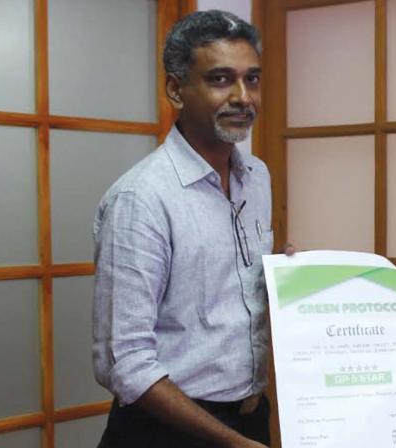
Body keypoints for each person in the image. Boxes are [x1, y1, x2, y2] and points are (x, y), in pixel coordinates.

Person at [93, 10, 281, 448]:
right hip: (164, 432)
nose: (243, 97)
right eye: (220, 80)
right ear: (176, 90)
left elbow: (229, 296)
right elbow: (126, 363)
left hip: (250, 416)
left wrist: (283, 278)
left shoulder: (256, 176)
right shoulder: (142, 199)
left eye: (252, 79)